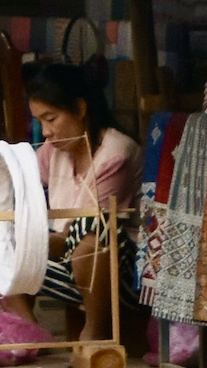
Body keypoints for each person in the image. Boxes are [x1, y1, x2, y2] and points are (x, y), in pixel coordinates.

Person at [21, 59, 139, 340]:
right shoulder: (55, 149)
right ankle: (28, 331)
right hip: (66, 255)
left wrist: (28, 237)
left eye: (51, 119)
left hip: (120, 272)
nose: (46, 132)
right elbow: (20, 185)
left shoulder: (116, 155)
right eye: (39, 121)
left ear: (80, 109)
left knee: (90, 231)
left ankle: (95, 332)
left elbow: (87, 234)